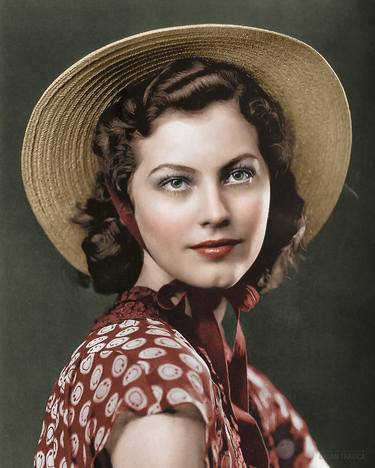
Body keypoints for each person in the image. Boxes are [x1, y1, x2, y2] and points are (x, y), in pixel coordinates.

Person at [22, 25, 351, 468]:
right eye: (176, 182)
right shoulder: (154, 380)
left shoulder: (248, 393)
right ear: (124, 201)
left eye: (238, 174)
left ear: (273, 182)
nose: (215, 211)